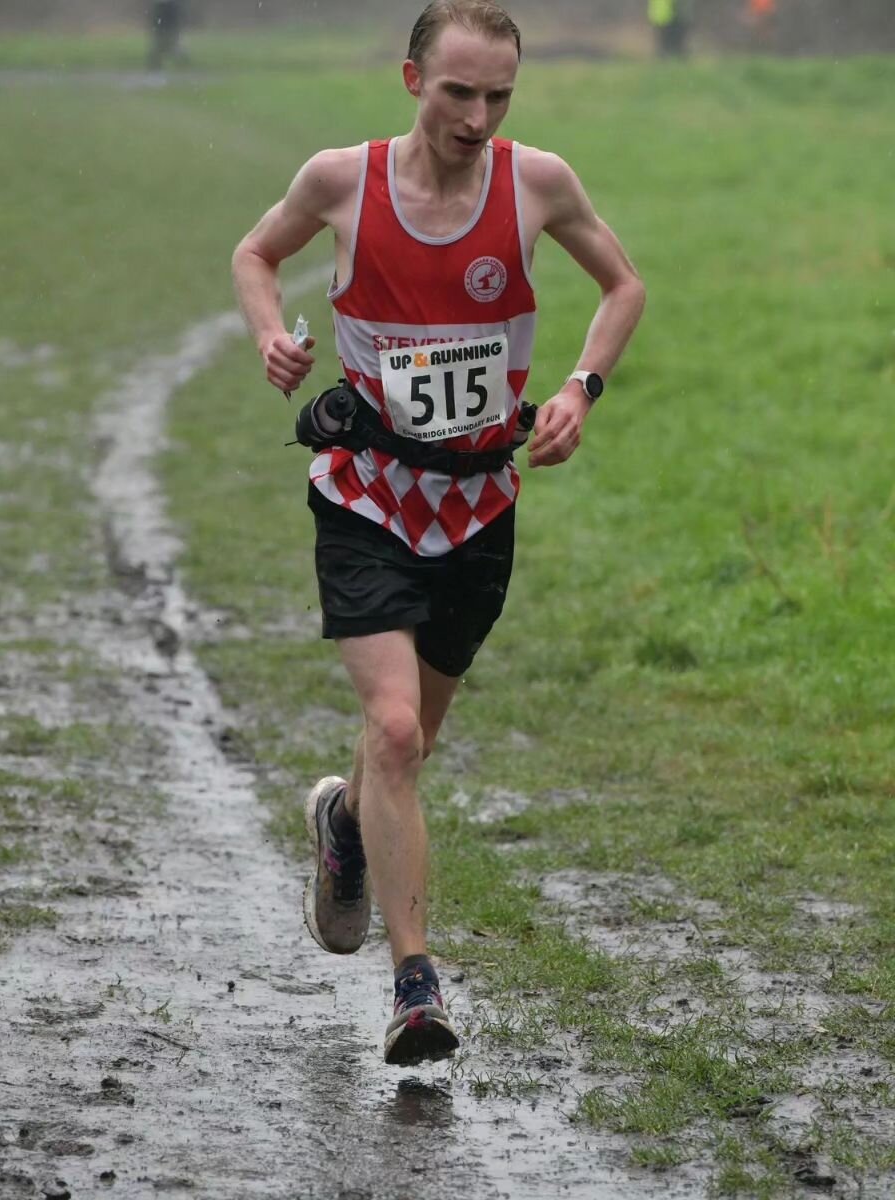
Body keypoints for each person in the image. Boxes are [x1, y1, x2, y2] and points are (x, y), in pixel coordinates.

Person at [231, 0, 645, 1067]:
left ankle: (344, 830)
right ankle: (417, 989)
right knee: (399, 732)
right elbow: (255, 252)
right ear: (412, 81)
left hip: (479, 506)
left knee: (409, 746)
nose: (479, 115)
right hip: (365, 496)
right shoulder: (342, 180)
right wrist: (273, 334)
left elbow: (623, 285)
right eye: (459, 91)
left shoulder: (537, 183)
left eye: (499, 94)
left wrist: (579, 391)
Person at [147, 0, 183, 71]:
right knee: (160, 45)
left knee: (165, 44)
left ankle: (157, 64)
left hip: (167, 23)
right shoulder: (162, 6)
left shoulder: (171, 6)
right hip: (163, 24)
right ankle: (156, 64)